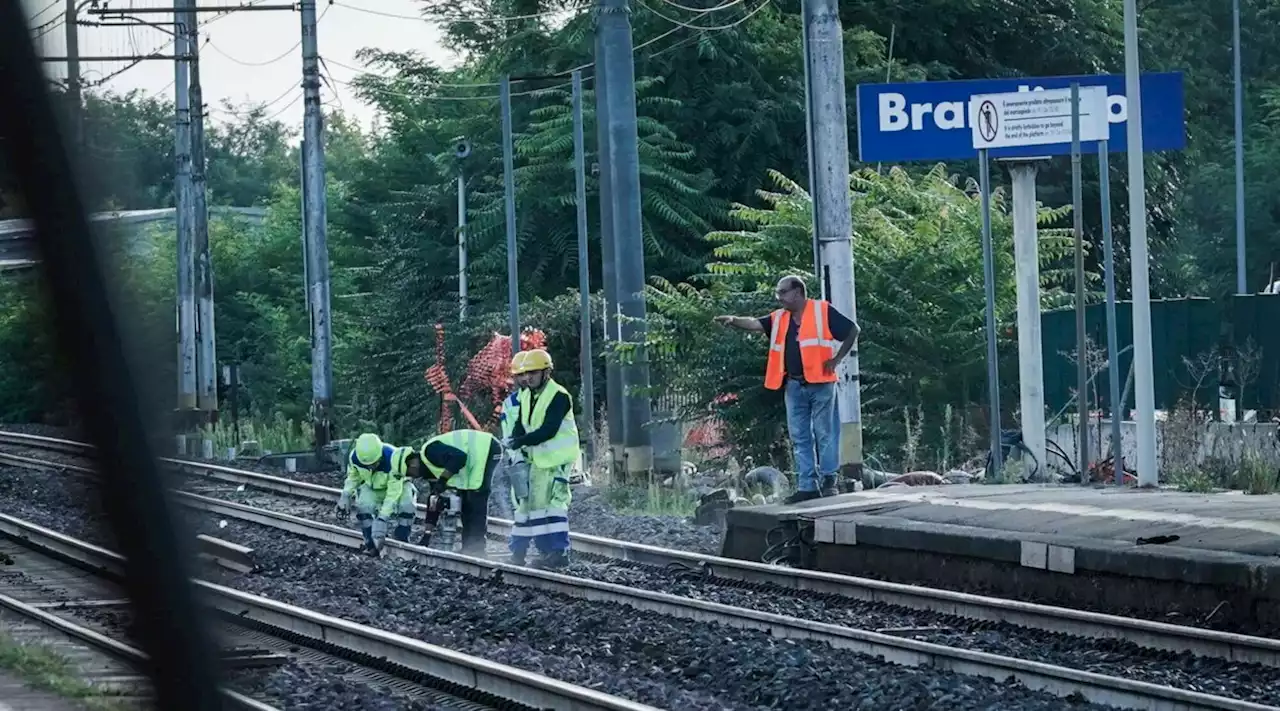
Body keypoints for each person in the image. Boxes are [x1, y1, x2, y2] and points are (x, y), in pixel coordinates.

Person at [714, 275, 859, 503]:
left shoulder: (822, 311)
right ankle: (807, 486)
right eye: (778, 293)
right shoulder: (780, 318)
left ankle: (829, 480)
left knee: (825, 433)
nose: (779, 297)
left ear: (798, 292)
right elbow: (754, 323)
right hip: (794, 384)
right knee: (800, 437)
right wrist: (733, 320)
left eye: (783, 292)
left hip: (821, 383)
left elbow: (852, 330)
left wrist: (837, 359)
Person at [503, 348, 579, 568]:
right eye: (525, 374)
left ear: (546, 372)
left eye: (533, 373)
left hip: (557, 460)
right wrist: (514, 441)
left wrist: (520, 442)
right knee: (534, 507)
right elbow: (520, 424)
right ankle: (541, 552)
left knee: (554, 507)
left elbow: (548, 430)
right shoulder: (527, 395)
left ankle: (559, 553)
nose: (527, 377)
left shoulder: (559, 396)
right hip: (537, 460)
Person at [408, 428, 502, 556]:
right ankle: (469, 548)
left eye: (411, 474)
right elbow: (433, 502)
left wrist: (443, 480)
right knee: (466, 504)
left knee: (476, 501)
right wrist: (427, 535)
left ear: (412, 464)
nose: (414, 477)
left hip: (487, 449)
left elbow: (459, 457)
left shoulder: (430, 451)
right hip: (475, 461)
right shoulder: (429, 469)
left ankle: (476, 549)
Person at [334, 432, 419, 552]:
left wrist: (383, 518)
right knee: (363, 506)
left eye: (373, 464)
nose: (370, 468)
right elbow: (354, 477)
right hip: (372, 487)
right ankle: (370, 544)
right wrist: (346, 495)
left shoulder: (392, 458)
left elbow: (393, 492)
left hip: (399, 486)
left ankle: (402, 536)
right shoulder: (355, 457)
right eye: (367, 466)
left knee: (407, 504)